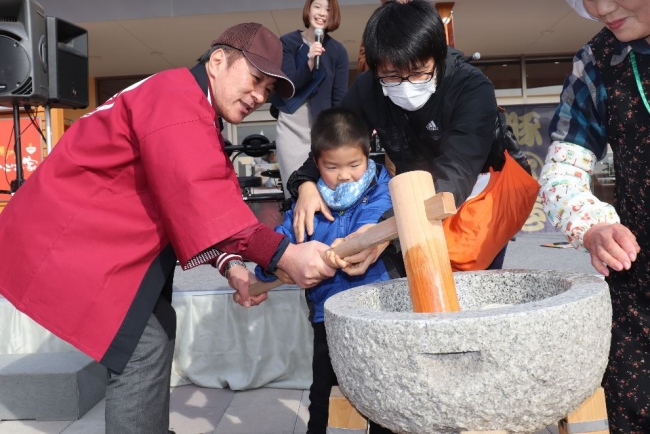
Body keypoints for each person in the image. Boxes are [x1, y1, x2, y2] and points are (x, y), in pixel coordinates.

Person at [0, 23, 336, 434]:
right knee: (142, 349)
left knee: (158, 330)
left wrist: (233, 266)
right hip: (67, 238)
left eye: (268, 89)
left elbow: (212, 199)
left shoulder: (188, 102)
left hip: (100, 240)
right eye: (255, 79)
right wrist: (282, 254)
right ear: (217, 61)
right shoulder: (174, 98)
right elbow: (200, 194)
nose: (260, 96)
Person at [287, 0, 503, 272]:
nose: (406, 84)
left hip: (473, 191)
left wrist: (383, 232)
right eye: (390, 75)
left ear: (437, 55)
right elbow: (336, 138)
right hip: (409, 199)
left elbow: (455, 175)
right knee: (412, 281)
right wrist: (306, 182)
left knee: (472, 282)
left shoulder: (471, 88)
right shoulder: (368, 89)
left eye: (418, 72)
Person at [255, 107, 400, 434]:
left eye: (354, 165)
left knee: (380, 391)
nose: (345, 175)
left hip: (378, 309)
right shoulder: (306, 204)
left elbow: (381, 220)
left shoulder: (381, 189)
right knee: (323, 389)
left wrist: (363, 238)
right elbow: (280, 247)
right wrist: (264, 272)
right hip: (328, 317)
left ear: (367, 154)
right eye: (332, 167)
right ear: (317, 164)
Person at [540, 1, 647, 431]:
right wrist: (593, 225)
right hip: (639, 291)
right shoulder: (598, 62)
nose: (602, 8)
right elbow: (562, 170)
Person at [271, 0, 349, 197]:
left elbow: (339, 98)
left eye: (328, 9)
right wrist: (310, 61)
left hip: (321, 130)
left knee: (324, 189)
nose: (322, 12)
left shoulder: (338, 51)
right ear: (308, 9)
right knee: (295, 188)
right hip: (291, 126)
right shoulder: (287, 42)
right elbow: (288, 86)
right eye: (317, 6)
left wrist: (336, 133)